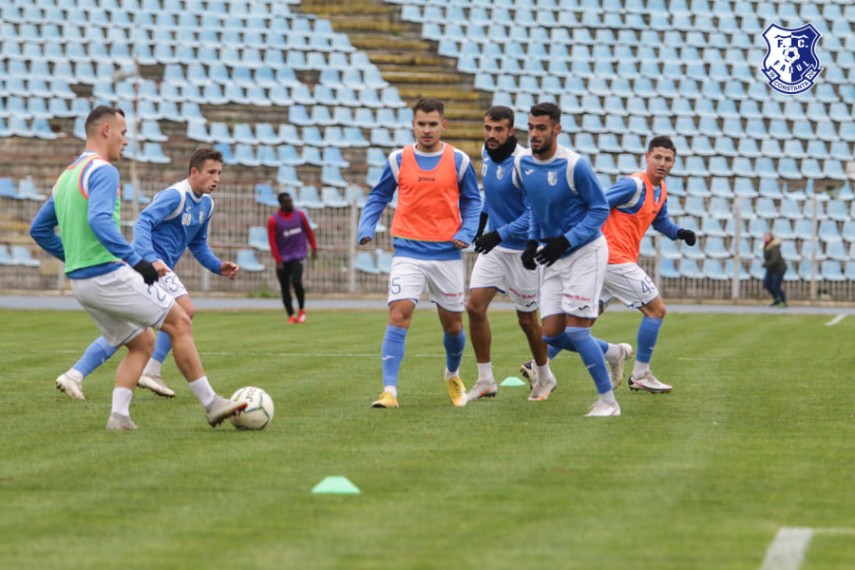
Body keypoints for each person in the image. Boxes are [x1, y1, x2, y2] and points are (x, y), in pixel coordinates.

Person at [29, 106, 245, 430]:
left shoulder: (67, 176)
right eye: (123, 132)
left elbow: (39, 230)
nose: (126, 140)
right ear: (106, 131)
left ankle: (119, 417)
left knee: (142, 342)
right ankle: (212, 404)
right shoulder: (104, 170)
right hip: (107, 274)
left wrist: (74, 257)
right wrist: (136, 261)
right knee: (181, 321)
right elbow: (99, 220)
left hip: (81, 283)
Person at [53, 147, 241, 399]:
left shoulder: (207, 204)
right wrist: (150, 259)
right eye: (211, 172)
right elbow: (143, 222)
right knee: (184, 311)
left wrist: (217, 266)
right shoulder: (176, 195)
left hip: (159, 267)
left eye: (219, 173)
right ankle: (151, 371)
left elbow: (198, 243)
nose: (216, 178)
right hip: (147, 264)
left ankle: (74, 375)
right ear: (194, 172)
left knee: (131, 329)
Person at [358, 98, 482, 408]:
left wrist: (466, 232)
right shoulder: (398, 159)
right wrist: (366, 226)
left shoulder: (459, 161)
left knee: (453, 326)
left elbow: (472, 201)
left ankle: (452, 374)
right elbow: (378, 196)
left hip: (446, 255)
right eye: (421, 124)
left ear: (443, 125)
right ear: (413, 125)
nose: (427, 130)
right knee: (398, 315)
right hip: (408, 252)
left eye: (432, 124)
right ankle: (389, 391)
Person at [512, 102, 620, 417]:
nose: (534, 134)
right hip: (553, 256)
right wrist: (532, 242)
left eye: (541, 128)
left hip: (585, 253)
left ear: (556, 129)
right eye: (531, 127)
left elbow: (599, 209)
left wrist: (566, 240)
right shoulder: (523, 163)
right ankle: (613, 353)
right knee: (551, 334)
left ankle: (608, 403)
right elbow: (534, 206)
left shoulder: (575, 166)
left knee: (576, 332)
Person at [465, 106, 558, 402]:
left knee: (527, 320)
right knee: (474, 307)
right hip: (496, 248)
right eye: (488, 128)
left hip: (523, 251)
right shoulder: (486, 153)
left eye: (498, 130)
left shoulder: (524, 164)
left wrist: (499, 233)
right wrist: (483, 221)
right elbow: (490, 194)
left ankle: (545, 376)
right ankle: (485, 380)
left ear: (511, 132)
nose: (491, 135)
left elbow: (533, 215)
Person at [597, 135, 697, 394]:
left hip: (608, 262)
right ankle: (641, 374)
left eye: (668, 159)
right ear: (647, 157)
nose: (662, 163)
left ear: (673, 163)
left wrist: (680, 233)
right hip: (615, 260)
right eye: (658, 157)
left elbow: (661, 221)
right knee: (656, 310)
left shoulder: (660, 189)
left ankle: (540, 365)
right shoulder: (633, 185)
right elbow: (598, 204)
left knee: (577, 325)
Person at [267, 191, 318, 324]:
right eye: (287, 202)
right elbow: (272, 242)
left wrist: (314, 248)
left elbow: (308, 231)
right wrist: (278, 260)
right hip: (282, 259)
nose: (291, 204)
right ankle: (290, 315)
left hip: (297, 255)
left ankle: (301, 309)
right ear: (281, 204)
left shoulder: (299, 215)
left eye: (291, 201)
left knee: (296, 282)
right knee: (285, 288)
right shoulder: (273, 220)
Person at [762, 232, 788, 307]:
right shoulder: (766, 246)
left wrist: (766, 264)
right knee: (766, 284)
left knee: (776, 286)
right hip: (771, 269)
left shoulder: (774, 247)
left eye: (767, 237)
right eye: (765, 236)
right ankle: (776, 299)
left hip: (779, 269)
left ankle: (783, 301)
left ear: (771, 238)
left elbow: (775, 260)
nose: (766, 238)